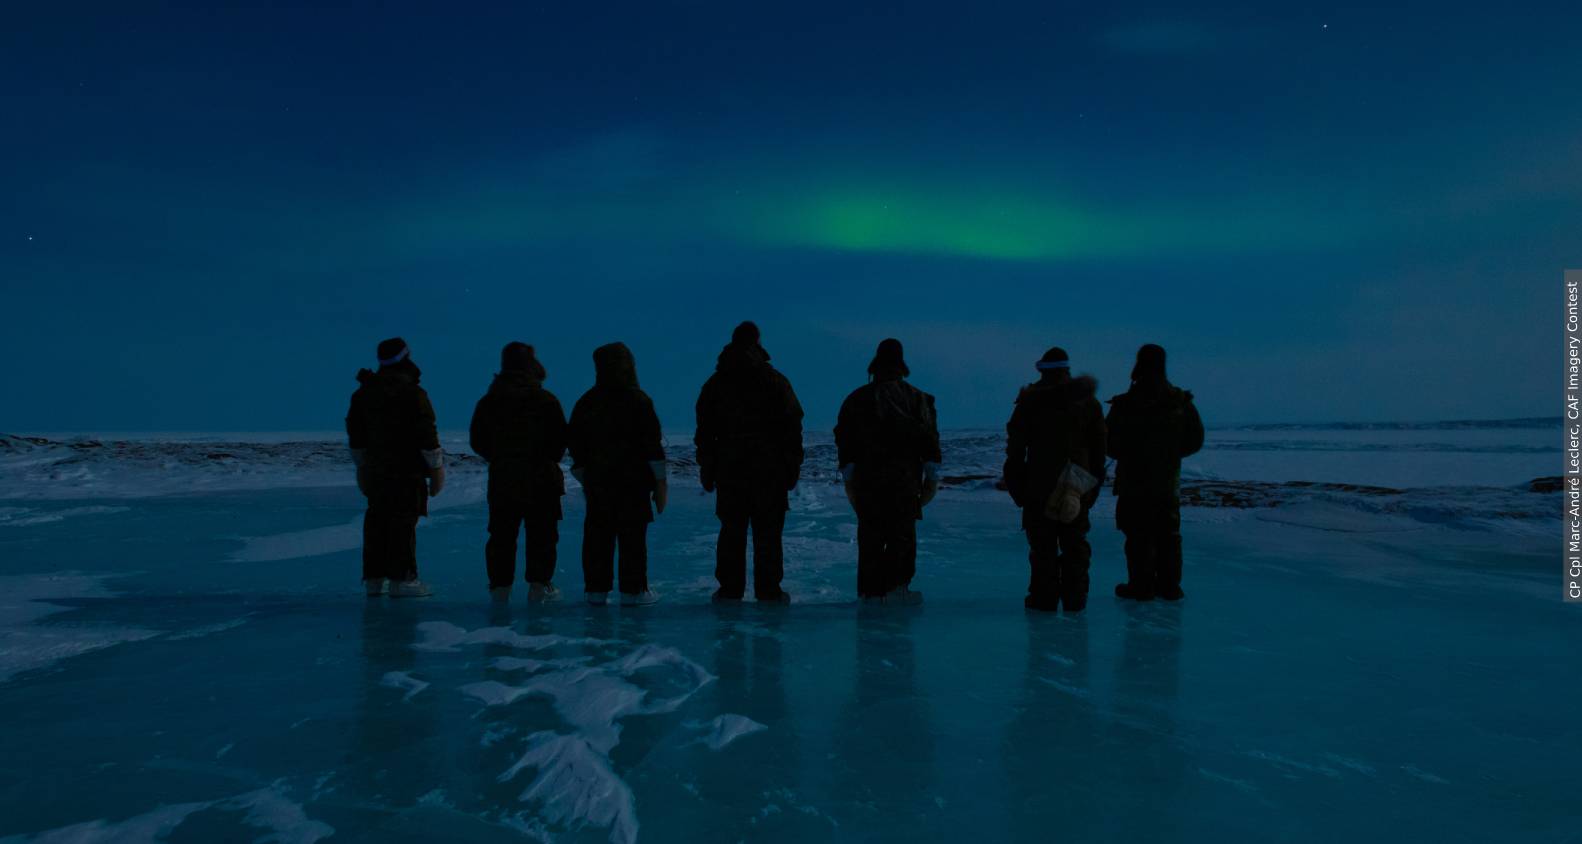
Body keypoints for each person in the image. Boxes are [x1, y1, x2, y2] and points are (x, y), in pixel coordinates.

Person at [694, 322, 804, 604]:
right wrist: (791, 466)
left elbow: (704, 432)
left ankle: (730, 589)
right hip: (769, 469)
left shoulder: (716, 384)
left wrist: (708, 467)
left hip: (730, 468)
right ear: (757, 342)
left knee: (732, 530)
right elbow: (792, 426)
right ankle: (769, 590)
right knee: (768, 532)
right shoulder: (775, 380)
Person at [834, 338, 941, 604]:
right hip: (905, 482)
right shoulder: (918, 398)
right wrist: (931, 478)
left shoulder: (856, 399)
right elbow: (929, 440)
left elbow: (846, 443)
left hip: (868, 481)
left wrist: (849, 479)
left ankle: (870, 594)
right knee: (902, 536)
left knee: (870, 538)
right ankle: (897, 588)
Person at [1002, 347, 1106, 612]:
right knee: (1075, 547)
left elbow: (1015, 450)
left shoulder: (1030, 402)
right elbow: (1099, 451)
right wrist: (1091, 489)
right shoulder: (1089, 403)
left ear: (1041, 370)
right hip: (1077, 486)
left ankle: (1043, 599)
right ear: (1067, 370)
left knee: (1043, 549)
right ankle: (1075, 600)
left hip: (1039, 486)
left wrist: (1018, 489)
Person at [567, 342, 667, 606]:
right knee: (633, 540)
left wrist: (586, 477)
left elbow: (575, 445)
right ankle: (634, 592)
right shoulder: (639, 400)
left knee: (597, 539)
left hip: (599, 483)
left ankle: (596, 591)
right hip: (634, 484)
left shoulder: (587, 402)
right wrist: (660, 484)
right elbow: (653, 446)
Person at [346, 337, 445, 598]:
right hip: (407, 471)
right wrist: (436, 470)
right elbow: (427, 434)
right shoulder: (413, 394)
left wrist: (362, 468)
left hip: (377, 470)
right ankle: (403, 579)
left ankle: (374, 579)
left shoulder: (363, 394)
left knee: (377, 521)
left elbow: (356, 438)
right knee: (402, 523)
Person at [470, 342, 569, 603]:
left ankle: (500, 587)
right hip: (542, 478)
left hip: (503, 478)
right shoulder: (545, 400)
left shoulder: (490, 400)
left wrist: (499, 458)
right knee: (543, 534)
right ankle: (539, 585)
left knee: (501, 535)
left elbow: (477, 440)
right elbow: (560, 440)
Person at [1105, 344, 1204, 601]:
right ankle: (1170, 587)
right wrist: (1170, 455)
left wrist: (1129, 452)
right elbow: (1195, 439)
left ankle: (1141, 586)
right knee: (1168, 535)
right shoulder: (1179, 401)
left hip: (1133, 481)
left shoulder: (1126, 404)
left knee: (1138, 534)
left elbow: (1108, 442)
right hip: (1166, 482)